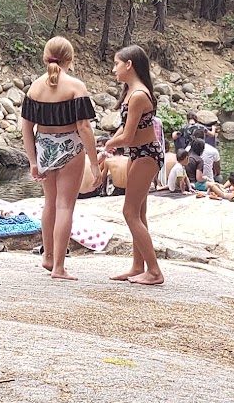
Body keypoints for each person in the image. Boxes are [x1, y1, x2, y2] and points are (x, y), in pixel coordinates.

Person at [18, 36, 99, 280]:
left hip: (44, 146)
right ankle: (59, 268)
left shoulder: (34, 87)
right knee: (65, 205)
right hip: (70, 146)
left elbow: (26, 128)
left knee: (50, 203)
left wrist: (33, 161)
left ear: (45, 57)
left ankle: (48, 256)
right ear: (70, 60)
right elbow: (84, 127)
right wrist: (94, 163)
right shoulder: (76, 87)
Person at [99, 44, 164, 285]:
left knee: (129, 212)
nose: (114, 68)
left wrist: (107, 145)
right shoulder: (131, 92)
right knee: (138, 212)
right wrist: (112, 143)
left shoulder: (138, 95)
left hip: (146, 155)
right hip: (138, 154)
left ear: (129, 65)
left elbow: (127, 136)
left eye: (116, 63)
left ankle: (155, 271)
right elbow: (124, 130)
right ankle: (138, 266)